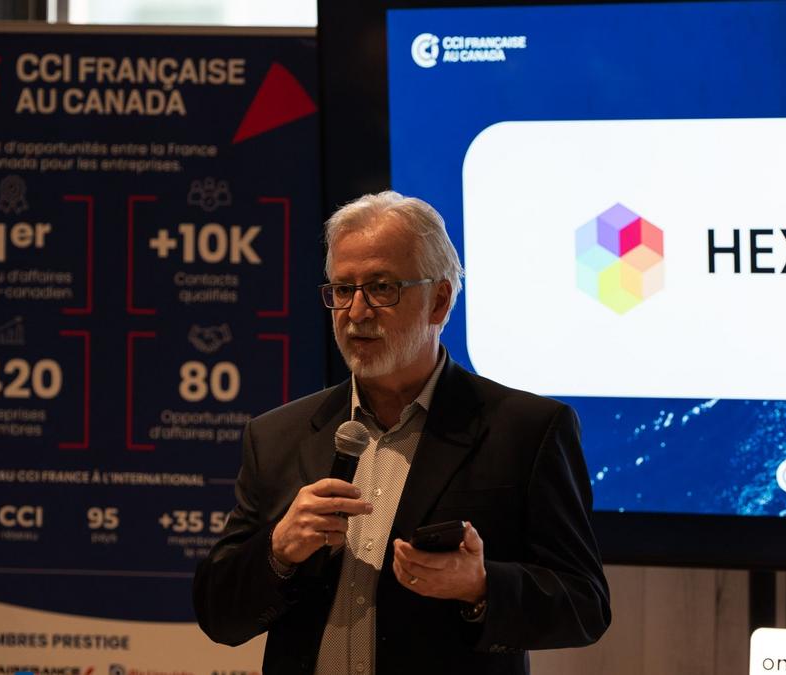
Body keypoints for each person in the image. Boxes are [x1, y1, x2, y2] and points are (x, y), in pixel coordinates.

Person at [193, 191, 611, 674]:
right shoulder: (277, 436)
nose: (356, 312)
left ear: (439, 301)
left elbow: (584, 604)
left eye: (381, 288)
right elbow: (219, 617)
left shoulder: (526, 431)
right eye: (342, 289)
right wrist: (279, 550)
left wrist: (480, 586)